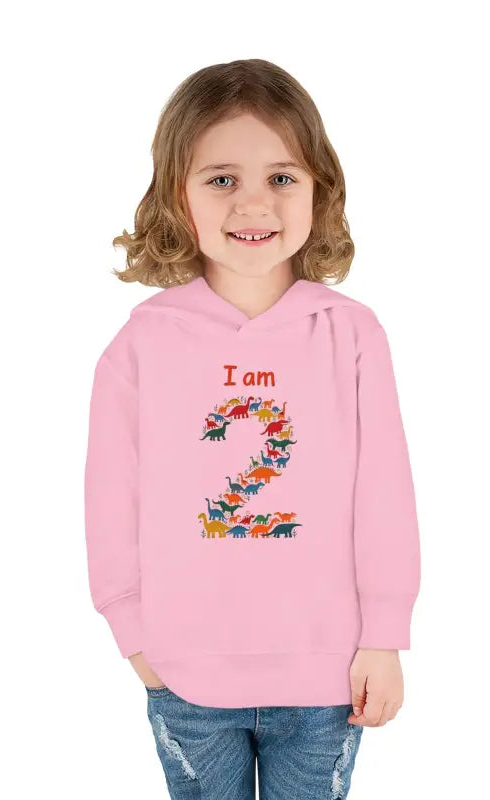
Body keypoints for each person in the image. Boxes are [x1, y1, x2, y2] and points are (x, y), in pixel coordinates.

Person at [83, 58, 421, 800]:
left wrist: (384, 635)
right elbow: (111, 498)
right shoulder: (141, 344)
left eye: (281, 177)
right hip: (185, 672)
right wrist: (133, 634)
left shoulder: (352, 335)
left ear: (319, 189)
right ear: (177, 193)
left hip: (329, 676)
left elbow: (384, 495)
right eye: (222, 179)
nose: (254, 203)